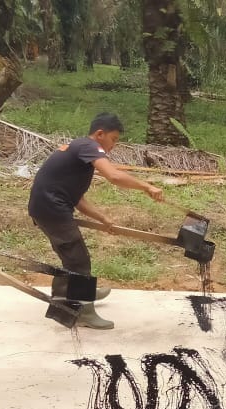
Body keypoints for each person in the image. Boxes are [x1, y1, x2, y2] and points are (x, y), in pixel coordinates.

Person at [28, 112, 164, 330]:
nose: (113, 146)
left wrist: (102, 218)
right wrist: (146, 186)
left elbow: (77, 199)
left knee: (72, 257)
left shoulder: (79, 149)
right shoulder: (89, 146)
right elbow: (114, 176)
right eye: (113, 139)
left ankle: (84, 293)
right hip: (51, 208)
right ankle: (83, 311)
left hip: (47, 206)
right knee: (78, 261)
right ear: (100, 134)